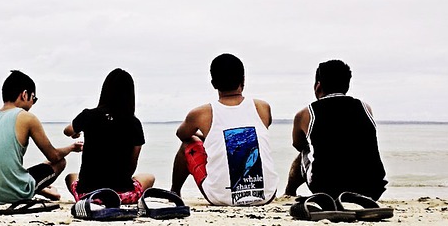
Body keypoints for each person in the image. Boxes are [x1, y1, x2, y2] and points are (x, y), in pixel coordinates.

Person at [170, 54, 278, 206]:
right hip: (266, 195)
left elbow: (182, 134)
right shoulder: (262, 107)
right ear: (243, 80)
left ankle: (174, 192)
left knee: (188, 144)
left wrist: (204, 137)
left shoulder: (201, 113)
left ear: (213, 83)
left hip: (222, 197)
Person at [0, 70, 83, 205]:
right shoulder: (26, 117)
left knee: (16, 169)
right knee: (60, 162)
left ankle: (43, 190)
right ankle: (35, 190)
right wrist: (72, 147)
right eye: (33, 99)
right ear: (24, 95)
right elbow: (53, 156)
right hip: (12, 194)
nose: (32, 104)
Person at [284, 60, 387, 200]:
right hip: (372, 188)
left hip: (327, 189)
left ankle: (289, 192)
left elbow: (298, 145)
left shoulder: (305, 114)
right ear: (347, 85)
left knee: (305, 151)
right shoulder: (365, 108)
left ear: (318, 86)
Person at [63, 68, 155, 204]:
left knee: (70, 177)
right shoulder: (133, 123)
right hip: (120, 195)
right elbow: (132, 164)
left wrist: (76, 131)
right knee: (149, 178)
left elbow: (67, 131)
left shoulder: (88, 115)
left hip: (88, 194)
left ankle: (95, 198)